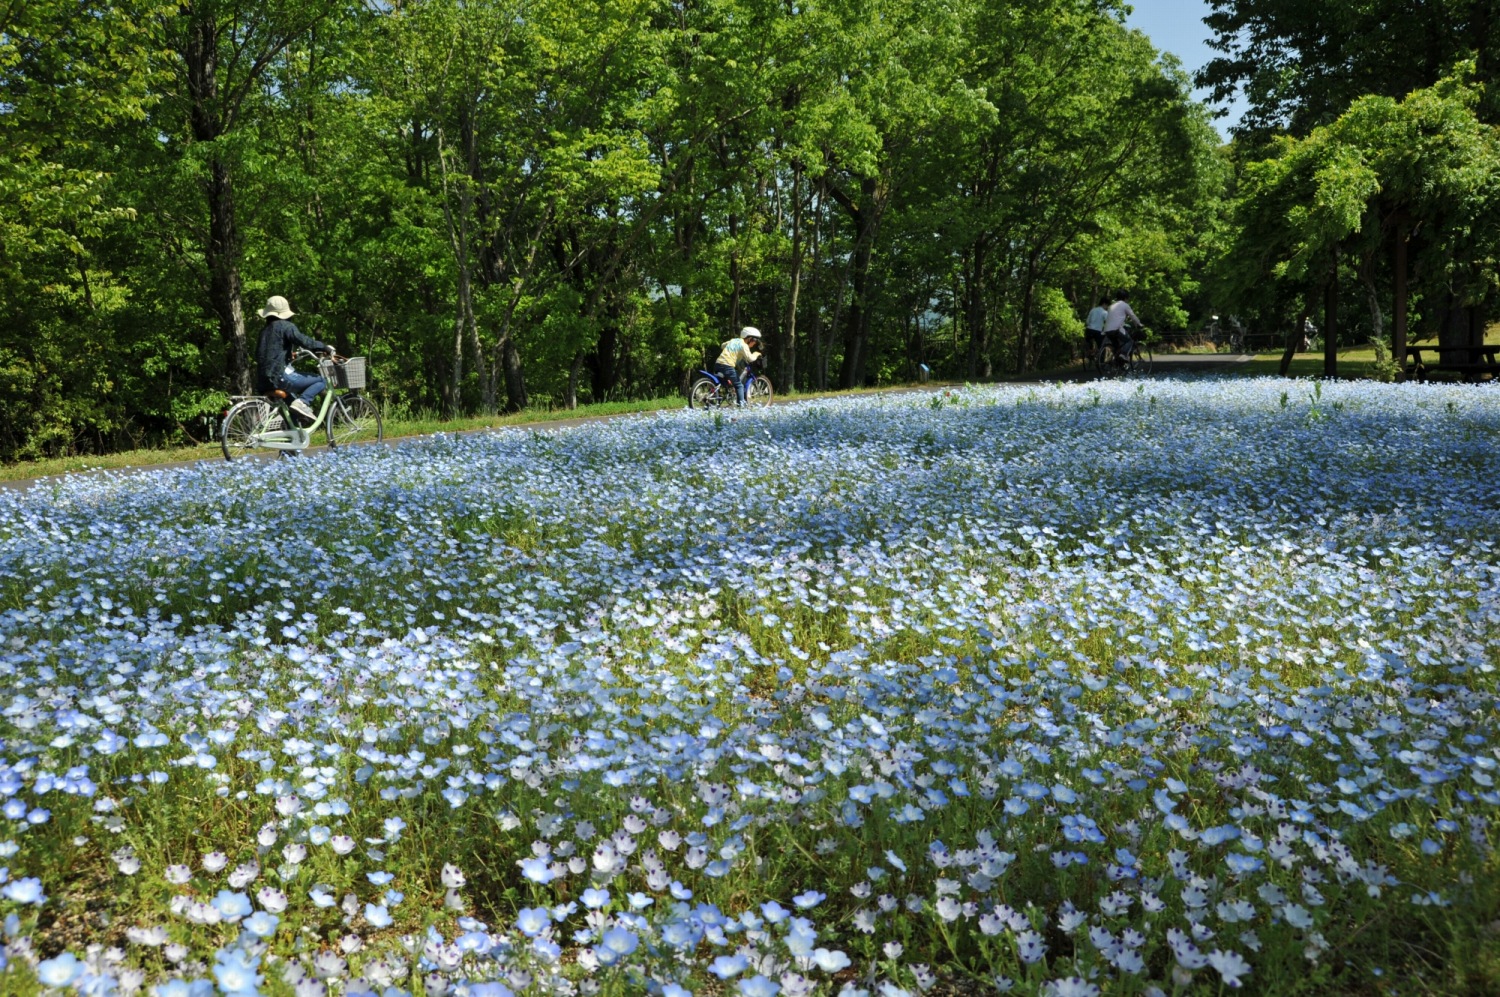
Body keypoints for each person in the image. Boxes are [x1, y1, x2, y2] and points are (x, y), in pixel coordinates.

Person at [254, 295, 331, 423]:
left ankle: (294, 435)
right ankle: (303, 402)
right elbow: (304, 341)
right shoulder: (286, 326)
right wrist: (324, 347)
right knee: (322, 381)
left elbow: (264, 354)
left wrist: (289, 355)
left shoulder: (264, 332)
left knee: (293, 412)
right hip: (279, 377)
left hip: (263, 380)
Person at [712, 326, 762, 406]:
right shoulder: (744, 345)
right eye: (755, 340)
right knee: (739, 385)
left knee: (730, 379)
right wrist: (756, 353)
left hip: (718, 364)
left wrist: (733, 350)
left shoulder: (734, 340)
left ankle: (728, 396)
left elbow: (722, 345)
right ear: (749, 338)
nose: (755, 343)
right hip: (727, 365)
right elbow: (750, 358)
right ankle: (741, 407)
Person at [1103, 292, 1142, 365]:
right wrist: (1139, 324)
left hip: (1107, 330)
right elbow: (1133, 316)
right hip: (1116, 329)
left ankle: (1116, 361)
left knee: (1117, 346)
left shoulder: (1111, 305)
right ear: (1125, 298)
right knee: (1129, 341)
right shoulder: (1125, 305)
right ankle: (1123, 355)